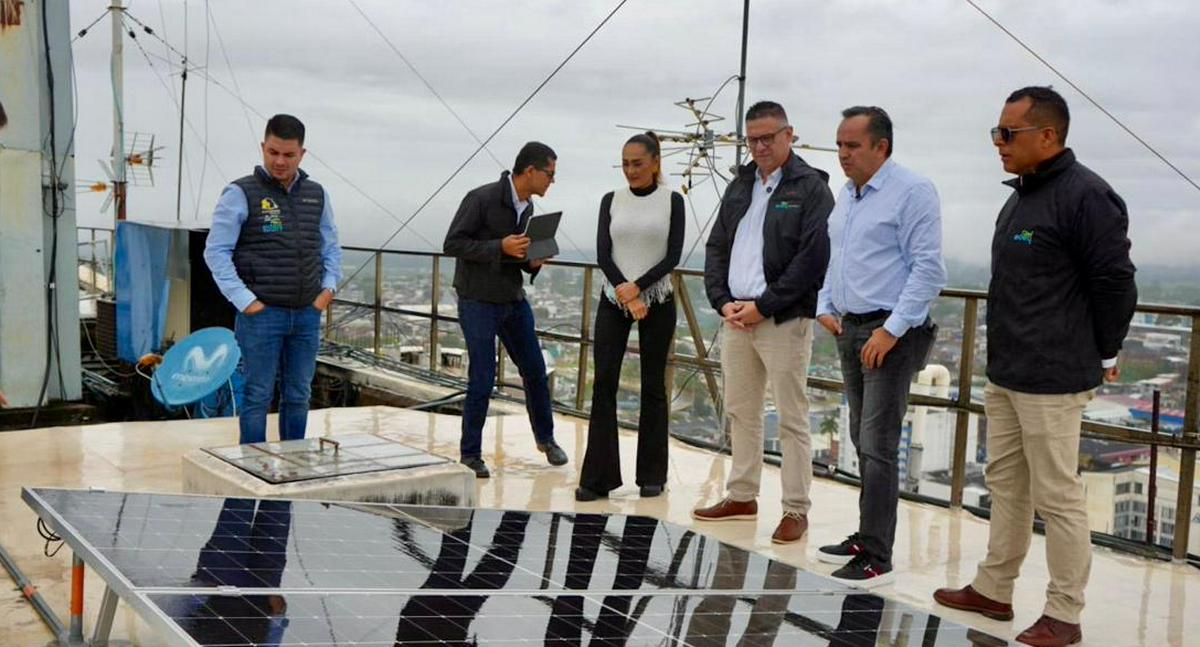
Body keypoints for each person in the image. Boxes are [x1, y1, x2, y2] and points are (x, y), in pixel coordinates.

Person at [933, 86, 1137, 647]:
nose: (998, 143)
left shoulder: (1088, 197)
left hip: (1054, 375)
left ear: (1048, 135)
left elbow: (1116, 283)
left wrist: (1105, 351)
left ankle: (1064, 613)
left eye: (1008, 133)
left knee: (1057, 496)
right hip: (1008, 370)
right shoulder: (1020, 196)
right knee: (1006, 484)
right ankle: (994, 588)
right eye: (995, 132)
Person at [814, 106, 945, 588]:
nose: (842, 154)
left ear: (881, 147)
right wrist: (826, 304)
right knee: (860, 438)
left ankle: (876, 556)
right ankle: (865, 536)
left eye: (852, 145)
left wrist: (891, 330)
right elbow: (838, 258)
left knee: (878, 443)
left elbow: (928, 270)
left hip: (890, 334)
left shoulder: (911, 192)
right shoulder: (847, 195)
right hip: (850, 329)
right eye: (839, 145)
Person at [693, 101, 834, 545]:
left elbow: (811, 260)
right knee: (741, 410)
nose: (759, 147)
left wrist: (765, 306)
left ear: (789, 135)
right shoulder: (741, 185)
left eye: (768, 138)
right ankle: (742, 495)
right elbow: (716, 248)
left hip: (783, 319)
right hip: (737, 317)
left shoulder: (811, 188)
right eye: (752, 139)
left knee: (791, 417)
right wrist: (722, 302)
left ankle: (795, 508)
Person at [204, 114, 342, 445]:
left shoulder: (317, 195)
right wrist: (246, 301)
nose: (280, 161)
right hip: (262, 315)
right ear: (263, 148)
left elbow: (331, 245)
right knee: (258, 394)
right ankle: (253, 465)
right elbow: (216, 251)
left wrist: (328, 289)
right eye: (273, 152)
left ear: (302, 154)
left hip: (307, 313)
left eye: (289, 155)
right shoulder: (240, 193)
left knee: (299, 393)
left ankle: (293, 460)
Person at [443, 142, 568, 478]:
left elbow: (517, 258)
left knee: (535, 369)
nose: (552, 181)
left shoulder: (527, 208)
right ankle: (471, 454)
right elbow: (453, 243)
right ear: (530, 171)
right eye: (549, 174)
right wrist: (500, 246)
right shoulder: (481, 198)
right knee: (482, 377)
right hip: (477, 299)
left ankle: (546, 439)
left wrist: (532, 261)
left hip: (512, 297)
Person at [575, 132, 685, 502]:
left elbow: (673, 255)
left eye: (637, 163)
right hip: (614, 296)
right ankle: (597, 478)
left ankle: (652, 476)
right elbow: (603, 253)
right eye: (625, 163)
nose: (630, 170)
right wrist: (625, 290)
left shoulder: (672, 201)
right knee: (604, 383)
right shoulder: (612, 200)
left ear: (655, 162)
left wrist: (639, 288)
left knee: (653, 387)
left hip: (657, 297)